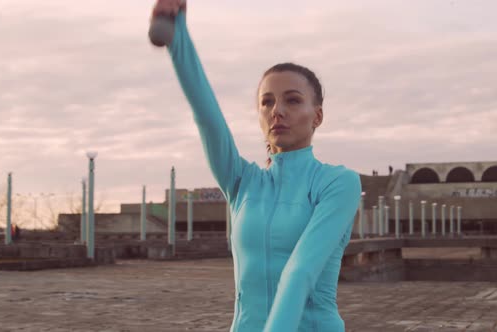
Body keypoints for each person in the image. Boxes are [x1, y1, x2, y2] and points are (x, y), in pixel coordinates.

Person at [151, 1, 361, 331]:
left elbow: (300, 272)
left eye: (292, 100)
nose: (277, 110)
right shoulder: (243, 183)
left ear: (317, 116)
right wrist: (179, 39)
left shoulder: (338, 183)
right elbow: (208, 119)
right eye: (267, 102)